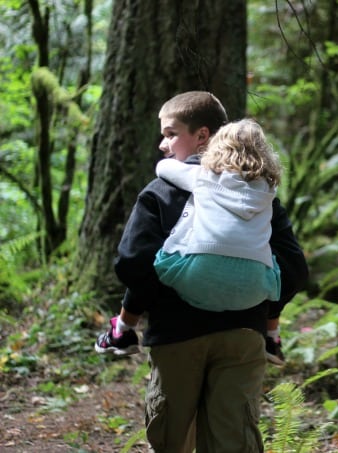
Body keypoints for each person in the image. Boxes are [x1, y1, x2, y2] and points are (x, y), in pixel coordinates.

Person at [93, 91, 308, 452]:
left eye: (170, 134)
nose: (163, 145)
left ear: (204, 135)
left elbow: (133, 263)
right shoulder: (260, 195)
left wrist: (152, 303)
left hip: (178, 334)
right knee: (234, 438)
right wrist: (266, 311)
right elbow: (294, 269)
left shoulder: (160, 192)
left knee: (173, 438)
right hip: (245, 332)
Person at [153, 119, 282, 313]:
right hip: (254, 291)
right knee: (271, 257)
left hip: (198, 278)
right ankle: (273, 332)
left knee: (163, 258)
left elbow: (163, 168)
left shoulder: (203, 176)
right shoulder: (267, 190)